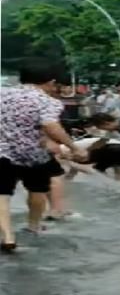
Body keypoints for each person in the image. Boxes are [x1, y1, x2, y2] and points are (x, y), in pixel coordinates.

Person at [0, 68, 88, 253]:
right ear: (51, 81)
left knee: (2, 196)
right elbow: (50, 126)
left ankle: (8, 236)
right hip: (33, 155)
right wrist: (73, 147)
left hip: (2, 153)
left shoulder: (3, 93)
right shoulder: (47, 102)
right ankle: (33, 227)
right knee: (37, 190)